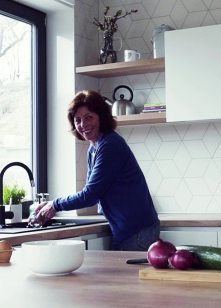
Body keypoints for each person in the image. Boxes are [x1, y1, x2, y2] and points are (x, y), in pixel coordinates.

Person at [31, 90, 160, 251]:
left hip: (137, 231)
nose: (83, 125)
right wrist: (52, 205)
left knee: (127, 277)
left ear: (102, 117)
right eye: (78, 120)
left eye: (89, 117)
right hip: (130, 229)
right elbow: (92, 194)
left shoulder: (109, 145)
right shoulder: (94, 149)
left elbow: (90, 195)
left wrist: (55, 205)